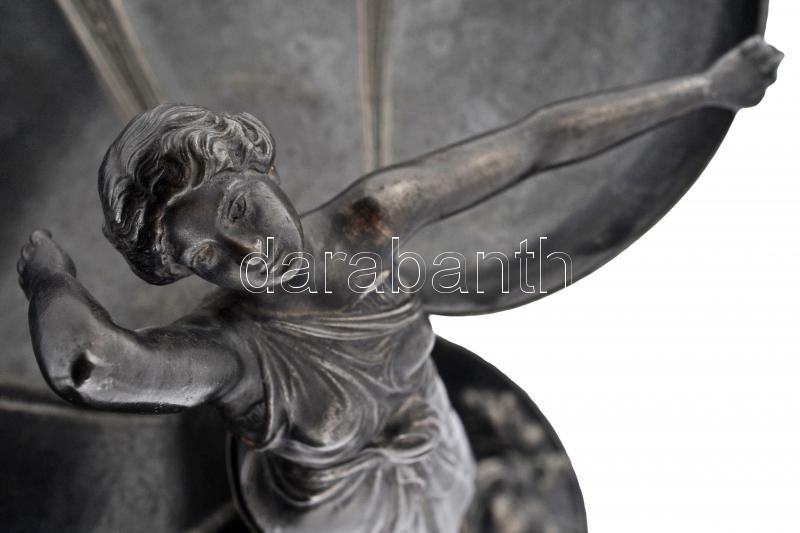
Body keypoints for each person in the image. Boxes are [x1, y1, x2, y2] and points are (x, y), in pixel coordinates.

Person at [18, 36, 782, 532]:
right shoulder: (233, 352)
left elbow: (536, 142)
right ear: (187, 271)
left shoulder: (371, 221)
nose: (249, 250)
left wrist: (706, 86)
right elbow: (91, 364)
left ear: (262, 163)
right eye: (209, 255)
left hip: (441, 450)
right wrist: (49, 276)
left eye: (244, 209)